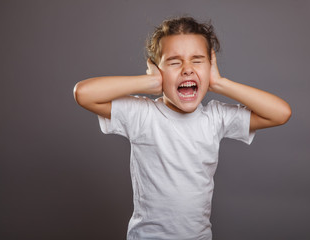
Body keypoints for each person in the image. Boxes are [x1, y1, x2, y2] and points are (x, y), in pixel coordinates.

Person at [73, 16, 291, 240]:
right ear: (157, 70)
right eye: (175, 62)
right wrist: (148, 83)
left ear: (210, 66)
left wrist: (219, 83)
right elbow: (83, 94)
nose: (187, 69)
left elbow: (280, 113)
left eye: (197, 60)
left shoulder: (215, 118)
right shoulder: (143, 115)